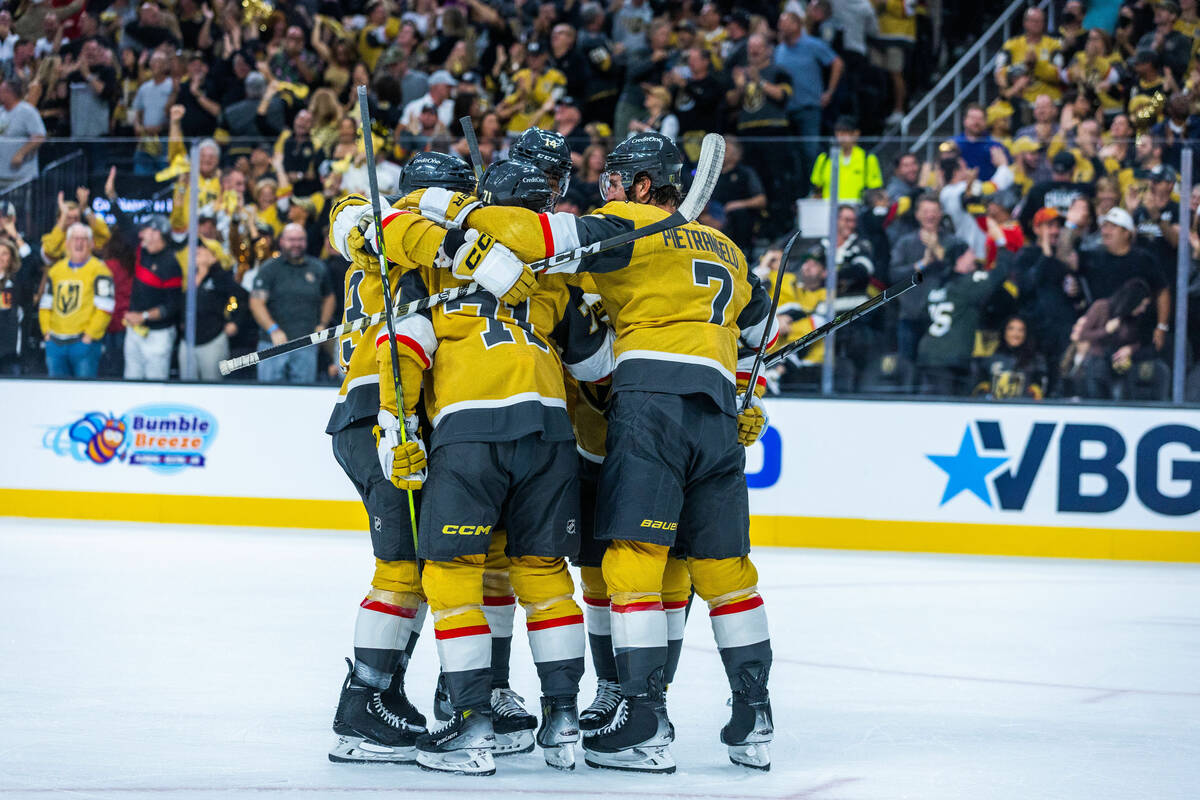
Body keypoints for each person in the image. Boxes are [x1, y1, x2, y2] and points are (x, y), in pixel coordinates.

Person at [916, 241, 1012, 396]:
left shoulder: (937, 284)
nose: (975, 256)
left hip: (928, 354)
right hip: (950, 357)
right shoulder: (966, 284)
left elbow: (920, 315)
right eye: (971, 253)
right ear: (960, 258)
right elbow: (999, 274)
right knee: (947, 410)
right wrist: (1003, 245)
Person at [250, 224, 335, 384]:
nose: (296, 244)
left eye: (300, 239)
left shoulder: (318, 268)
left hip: (306, 342)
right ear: (281, 241)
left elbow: (329, 298)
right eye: (291, 240)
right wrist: (273, 329)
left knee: (303, 395)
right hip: (272, 344)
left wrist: (322, 323)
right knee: (268, 395)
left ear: (306, 241)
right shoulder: (269, 268)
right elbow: (256, 302)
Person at [775, 6, 842, 197]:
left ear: (797, 25)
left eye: (786, 22)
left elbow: (837, 63)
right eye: (780, 22)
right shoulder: (779, 50)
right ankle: (798, 194)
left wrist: (829, 91)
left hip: (809, 107)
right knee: (791, 156)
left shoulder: (812, 44)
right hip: (784, 110)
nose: (781, 26)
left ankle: (818, 189)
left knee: (811, 151)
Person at [890, 194, 961, 362]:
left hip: (942, 318)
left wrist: (937, 250)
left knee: (936, 367)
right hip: (910, 316)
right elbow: (894, 274)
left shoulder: (953, 242)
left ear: (941, 213)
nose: (930, 215)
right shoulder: (905, 242)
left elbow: (959, 272)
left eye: (934, 211)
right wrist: (923, 263)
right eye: (926, 211)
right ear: (917, 215)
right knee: (907, 367)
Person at [38, 223, 113, 378]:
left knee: (84, 396)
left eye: (84, 239)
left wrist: (89, 336)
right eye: (74, 239)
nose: (79, 243)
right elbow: (45, 305)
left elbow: (105, 307)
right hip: (55, 343)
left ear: (91, 244)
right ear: (67, 243)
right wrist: (46, 333)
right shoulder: (56, 270)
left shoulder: (100, 269)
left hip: (83, 343)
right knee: (57, 394)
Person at [181, 238, 244, 381]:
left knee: (212, 385)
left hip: (212, 340)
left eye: (203, 248)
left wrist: (235, 322)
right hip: (187, 341)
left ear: (214, 255)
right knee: (184, 385)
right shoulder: (189, 275)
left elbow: (242, 299)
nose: (198, 249)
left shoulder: (222, 276)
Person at [995, 6, 1064, 103]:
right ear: (1025, 23)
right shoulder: (1011, 44)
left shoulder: (1054, 45)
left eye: (1039, 21)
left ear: (1044, 23)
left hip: (1048, 99)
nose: (1036, 24)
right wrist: (1022, 69)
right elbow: (999, 71)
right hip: (1018, 98)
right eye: (1033, 20)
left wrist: (1037, 65)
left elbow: (1059, 75)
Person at [710, 136, 766, 253]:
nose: (721, 153)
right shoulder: (711, 173)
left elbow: (761, 200)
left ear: (737, 154)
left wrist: (736, 205)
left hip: (736, 218)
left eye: (726, 150)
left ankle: (742, 253)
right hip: (712, 217)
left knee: (739, 214)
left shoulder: (745, 173)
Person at [810, 116, 883, 201]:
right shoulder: (824, 158)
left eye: (845, 133)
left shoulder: (868, 159)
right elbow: (817, 188)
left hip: (858, 210)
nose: (841, 138)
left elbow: (874, 189)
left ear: (856, 133)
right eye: (838, 133)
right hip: (829, 209)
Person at [974, 316, 1048, 399]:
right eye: (1011, 329)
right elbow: (979, 389)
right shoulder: (991, 358)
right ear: (1004, 332)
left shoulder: (1036, 360)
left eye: (1020, 330)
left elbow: (1041, 391)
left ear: (1026, 334)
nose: (1015, 334)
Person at [130, 51, 173, 175]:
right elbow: (137, 111)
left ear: (166, 66)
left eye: (158, 61)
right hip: (145, 140)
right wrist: (137, 125)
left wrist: (162, 127)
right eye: (152, 61)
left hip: (165, 139)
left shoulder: (172, 86)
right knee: (141, 177)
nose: (154, 64)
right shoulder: (144, 87)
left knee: (165, 178)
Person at [0, 76, 45, 188]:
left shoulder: (27, 111)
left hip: (21, 177)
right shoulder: (1, 111)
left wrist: (20, 153)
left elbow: (39, 136)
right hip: (2, 174)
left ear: (9, 93)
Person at [953, 104, 1011, 181]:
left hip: (989, 190)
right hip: (958, 190)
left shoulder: (996, 146)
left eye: (980, 119)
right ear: (964, 120)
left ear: (986, 121)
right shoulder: (952, 144)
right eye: (972, 118)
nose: (976, 122)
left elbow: (1007, 172)